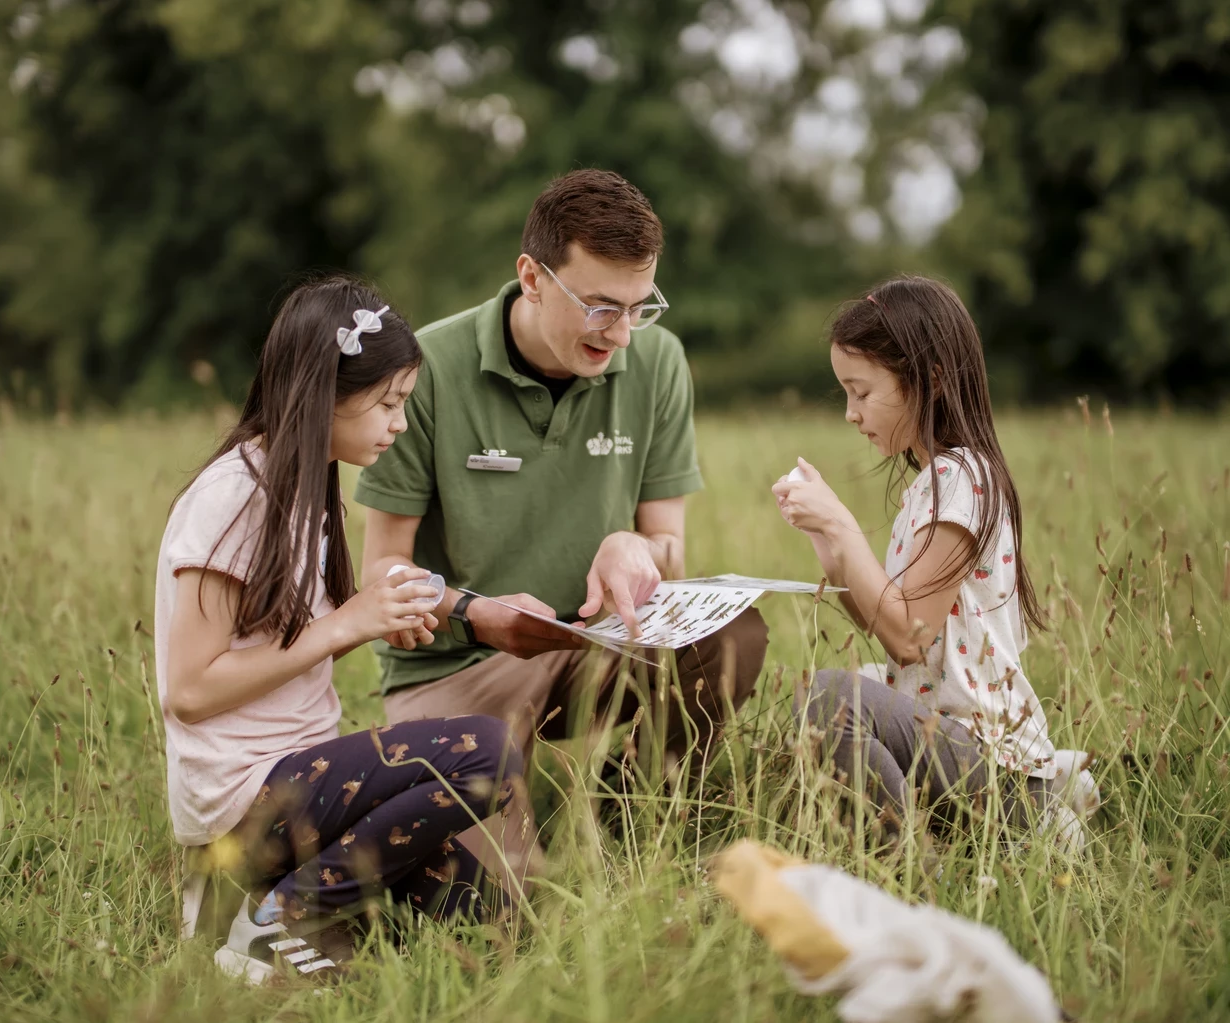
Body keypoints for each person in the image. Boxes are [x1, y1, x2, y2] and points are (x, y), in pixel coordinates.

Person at [355, 170, 769, 862]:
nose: (625, 336)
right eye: (603, 307)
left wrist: (631, 544)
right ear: (533, 276)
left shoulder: (659, 362)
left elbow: (668, 546)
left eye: (641, 307)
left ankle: (629, 819)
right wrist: (476, 613)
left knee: (734, 634)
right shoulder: (427, 369)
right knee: (510, 902)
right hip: (456, 670)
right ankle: (509, 815)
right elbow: (382, 570)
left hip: (592, 648)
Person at [154, 275, 522, 982]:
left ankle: (247, 910)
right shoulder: (232, 497)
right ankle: (277, 919)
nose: (400, 424)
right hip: (246, 794)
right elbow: (191, 692)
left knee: (485, 912)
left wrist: (390, 609)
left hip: (297, 776)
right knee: (488, 750)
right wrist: (347, 623)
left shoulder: (306, 489)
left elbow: (292, 630)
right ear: (323, 391)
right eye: (388, 402)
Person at [772, 275, 1055, 839]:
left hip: (1002, 776)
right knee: (824, 695)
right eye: (845, 394)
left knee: (832, 697)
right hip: (953, 751)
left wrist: (841, 523)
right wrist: (833, 555)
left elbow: (909, 636)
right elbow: (894, 630)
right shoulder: (938, 482)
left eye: (862, 391)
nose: (851, 413)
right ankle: (909, 845)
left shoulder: (961, 477)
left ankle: (908, 870)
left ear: (930, 381)